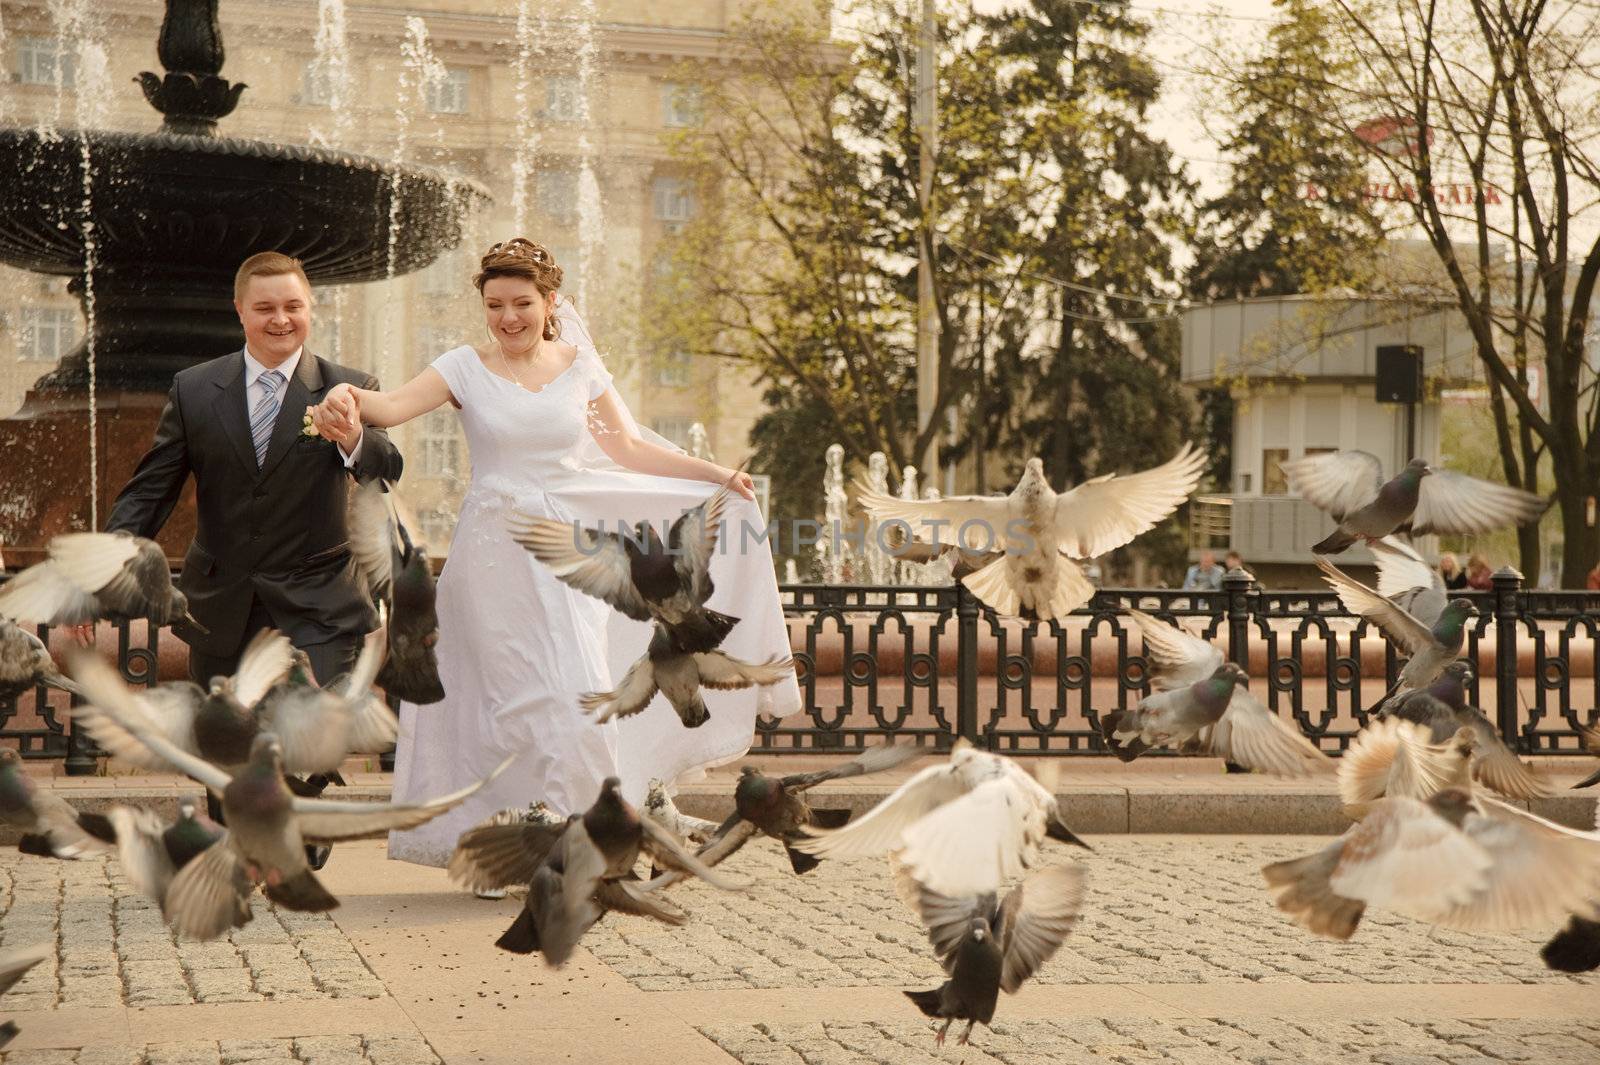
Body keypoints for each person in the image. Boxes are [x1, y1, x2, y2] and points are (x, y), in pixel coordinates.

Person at [308, 238, 800, 877]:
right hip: (490, 561)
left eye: (521, 303)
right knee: (502, 703)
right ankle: (505, 849)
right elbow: (392, 407)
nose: (507, 318)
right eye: (494, 305)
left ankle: (591, 842)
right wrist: (346, 400)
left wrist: (714, 475)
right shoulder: (462, 365)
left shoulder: (579, 367)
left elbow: (627, 448)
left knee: (578, 691)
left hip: (569, 558)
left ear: (549, 303)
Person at [104, 251, 404, 869]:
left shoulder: (351, 385)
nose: (280, 319)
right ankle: (244, 841)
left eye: (293, 306)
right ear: (240, 310)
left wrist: (349, 435)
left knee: (308, 738)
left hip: (320, 600)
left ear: (310, 308)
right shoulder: (194, 388)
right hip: (222, 601)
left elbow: (386, 467)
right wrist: (105, 569)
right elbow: (150, 489)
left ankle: (300, 817)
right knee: (230, 753)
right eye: (265, 307)